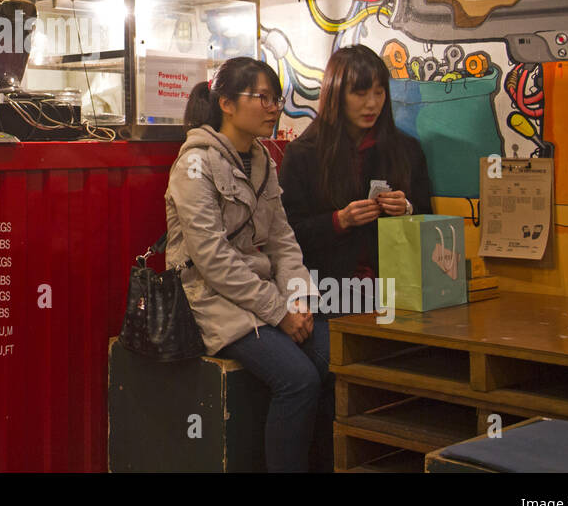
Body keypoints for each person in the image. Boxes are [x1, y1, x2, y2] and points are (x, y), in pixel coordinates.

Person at [164, 56, 331, 472]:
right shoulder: (194, 164)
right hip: (212, 300)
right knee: (298, 378)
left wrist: (299, 299)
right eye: (263, 97)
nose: (273, 108)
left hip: (262, 298)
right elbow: (212, 261)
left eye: (276, 98)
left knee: (334, 359)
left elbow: (282, 240)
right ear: (226, 103)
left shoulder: (261, 161)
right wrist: (279, 313)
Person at [279, 44, 434, 291]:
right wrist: (339, 220)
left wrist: (407, 208)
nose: (372, 104)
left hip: (398, 285)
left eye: (379, 92)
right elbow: (287, 234)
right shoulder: (303, 153)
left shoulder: (406, 149)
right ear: (336, 94)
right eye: (360, 94)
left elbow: (429, 218)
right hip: (327, 288)